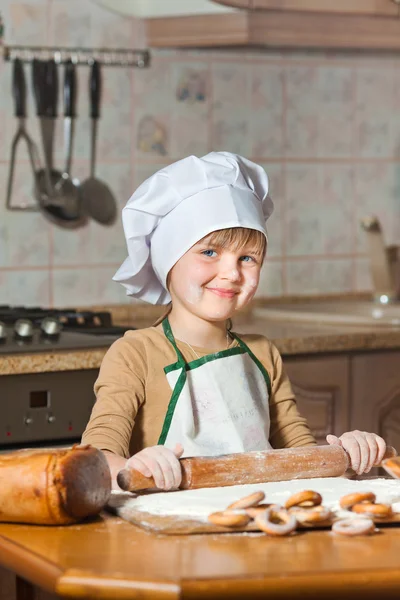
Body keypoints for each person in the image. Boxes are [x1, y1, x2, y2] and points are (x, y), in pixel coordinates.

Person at [81, 152, 387, 490]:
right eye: (209, 252)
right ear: (168, 260)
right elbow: (95, 458)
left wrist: (348, 453)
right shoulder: (135, 354)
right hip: (169, 533)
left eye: (247, 258)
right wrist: (135, 465)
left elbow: (300, 457)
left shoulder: (262, 353)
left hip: (257, 525)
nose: (231, 273)